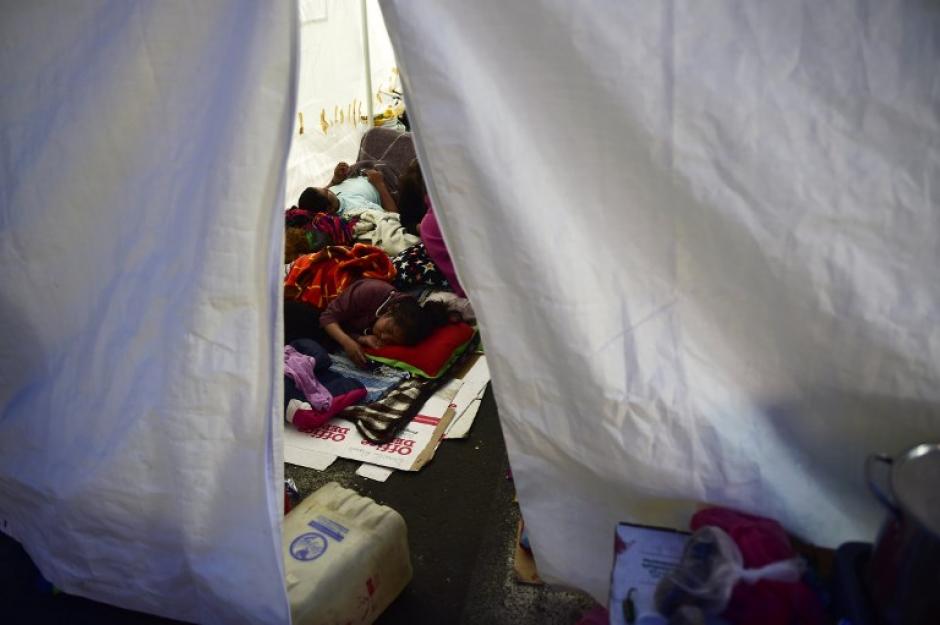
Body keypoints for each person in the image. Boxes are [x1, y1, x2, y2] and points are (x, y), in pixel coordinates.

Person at [318, 278, 450, 367]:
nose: (383, 337)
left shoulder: (385, 322)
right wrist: (346, 342)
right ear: (390, 311)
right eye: (389, 330)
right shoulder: (370, 291)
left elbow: (346, 327)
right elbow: (327, 318)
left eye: (391, 341)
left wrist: (361, 339)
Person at [298, 161, 397, 217]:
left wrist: (335, 180)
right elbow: (393, 214)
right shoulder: (356, 210)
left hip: (362, 172)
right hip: (385, 182)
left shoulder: (328, 198)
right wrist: (379, 184)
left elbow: (326, 190)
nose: (328, 188)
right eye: (326, 191)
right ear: (330, 209)